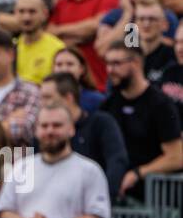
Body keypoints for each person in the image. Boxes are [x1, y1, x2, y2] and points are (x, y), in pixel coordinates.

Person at [100, 44, 183, 201]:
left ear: (136, 63)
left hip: (153, 200)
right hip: (115, 198)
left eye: (116, 63)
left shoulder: (160, 104)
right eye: (108, 64)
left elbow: (177, 157)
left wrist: (138, 173)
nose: (110, 70)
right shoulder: (108, 105)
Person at [40, 71, 128, 199]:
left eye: (47, 97)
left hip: (94, 204)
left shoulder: (101, 123)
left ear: (68, 98)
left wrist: (101, 198)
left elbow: (117, 161)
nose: (42, 103)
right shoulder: (44, 130)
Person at [49, 0, 120, 91]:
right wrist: (84, 34)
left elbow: (97, 25)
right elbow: (50, 32)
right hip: (66, 89)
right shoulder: (63, 2)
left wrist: (62, 31)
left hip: (99, 86)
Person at [13, 0, 65, 84]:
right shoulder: (10, 47)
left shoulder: (57, 49)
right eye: (21, 11)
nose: (26, 17)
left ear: (45, 14)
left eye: (32, 11)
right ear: (15, 13)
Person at [52, 44, 107, 113]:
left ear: (82, 69)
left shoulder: (97, 100)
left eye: (70, 64)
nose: (64, 69)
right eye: (59, 64)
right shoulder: (45, 98)